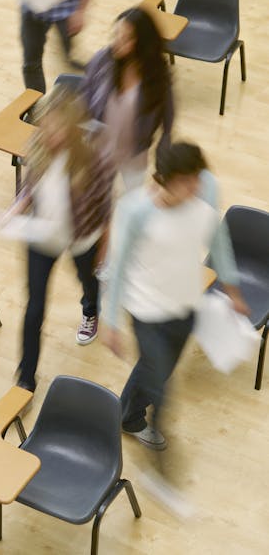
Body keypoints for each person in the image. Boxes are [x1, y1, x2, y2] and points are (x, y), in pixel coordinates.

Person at [102, 142, 249, 453]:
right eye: (187, 180)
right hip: (145, 307)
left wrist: (234, 294)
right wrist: (111, 320)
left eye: (197, 177)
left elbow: (220, 249)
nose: (196, 186)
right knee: (160, 382)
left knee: (159, 367)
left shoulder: (204, 201)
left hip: (184, 304)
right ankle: (156, 451)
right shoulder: (137, 210)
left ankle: (126, 414)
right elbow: (118, 267)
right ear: (165, 180)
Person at [6, 85, 114, 393]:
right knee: (34, 306)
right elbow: (30, 187)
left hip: (81, 237)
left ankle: (91, 307)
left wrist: (103, 251)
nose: (50, 134)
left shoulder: (94, 159)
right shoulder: (38, 146)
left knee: (87, 279)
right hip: (43, 236)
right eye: (47, 126)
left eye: (58, 127)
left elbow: (106, 211)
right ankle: (26, 377)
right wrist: (18, 207)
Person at [80, 7, 174, 191]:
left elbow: (168, 117)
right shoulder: (101, 61)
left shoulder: (157, 76)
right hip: (99, 150)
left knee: (133, 198)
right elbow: (84, 96)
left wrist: (163, 159)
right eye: (116, 35)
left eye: (126, 39)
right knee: (97, 198)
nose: (117, 43)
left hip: (135, 155)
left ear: (142, 43)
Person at [20, 0, 94, 93]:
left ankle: (96, 80)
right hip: (33, 9)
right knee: (31, 65)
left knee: (70, 59)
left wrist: (80, 10)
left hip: (68, 10)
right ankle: (36, 105)